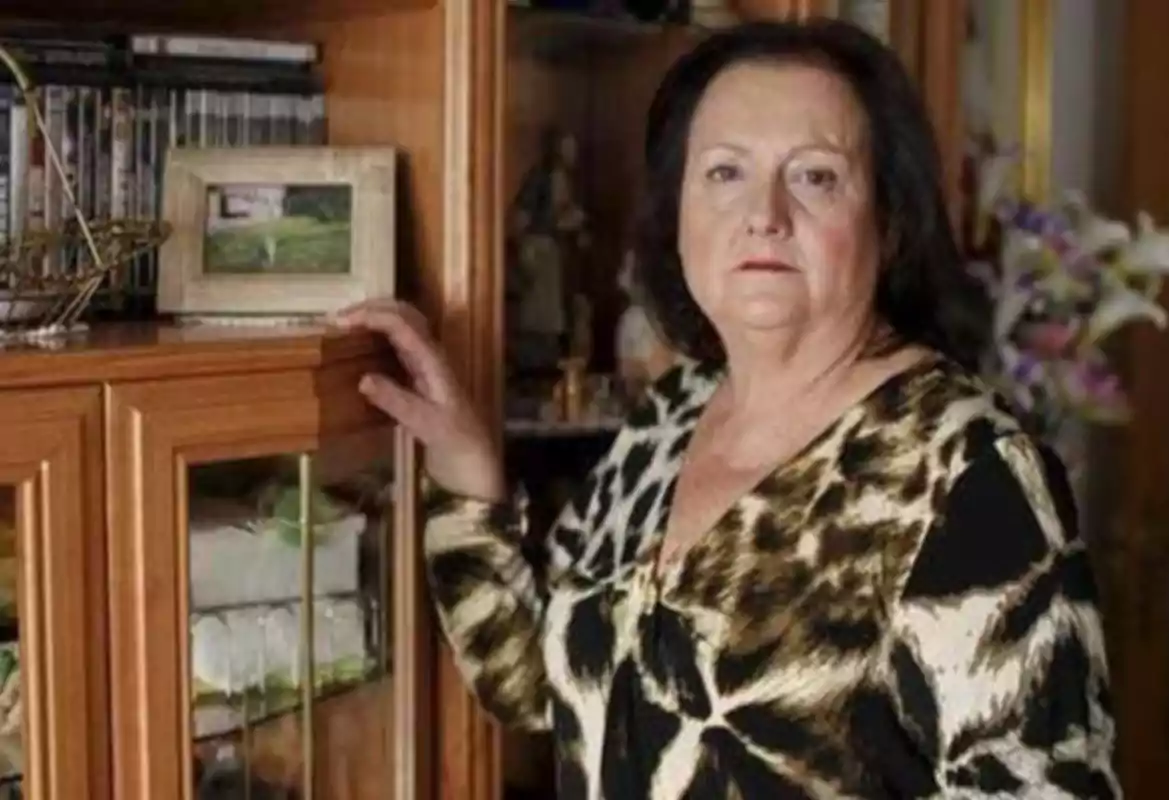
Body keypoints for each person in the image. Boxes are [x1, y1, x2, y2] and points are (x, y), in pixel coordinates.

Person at [332, 18, 1120, 799]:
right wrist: (468, 473)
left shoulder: (969, 473)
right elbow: (541, 685)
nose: (765, 215)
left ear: (889, 220)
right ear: (676, 214)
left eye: (815, 176)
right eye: (723, 172)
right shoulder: (668, 419)